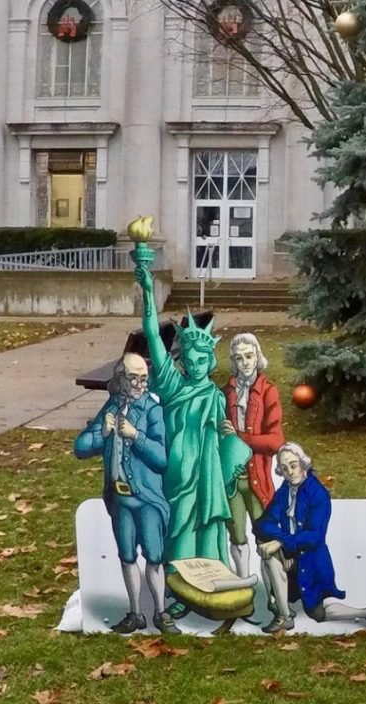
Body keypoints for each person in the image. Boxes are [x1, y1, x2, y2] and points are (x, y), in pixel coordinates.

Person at [134, 265, 252, 620]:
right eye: (191, 358)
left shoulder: (215, 394)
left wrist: (231, 440)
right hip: (178, 473)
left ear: (211, 359)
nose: (198, 363)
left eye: (204, 358)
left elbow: (220, 430)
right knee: (180, 525)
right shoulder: (171, 386)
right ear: (181, 359)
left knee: (210, 527)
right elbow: (154, 337)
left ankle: (210, 587)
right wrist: (147, 288)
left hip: (209, 475)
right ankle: (178, 590)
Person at [73, 353, 179, 634]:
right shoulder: (111, 406)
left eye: (144, 378)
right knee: (127, 555)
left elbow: (161, 458)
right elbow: (80, 447)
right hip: (119, 497)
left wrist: (136, 436)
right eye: (134, 378)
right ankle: (135, 612)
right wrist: (102, 434)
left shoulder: (152, 410)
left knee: (154, 556)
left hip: (147, 499)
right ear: (121, 379)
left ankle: (161, 612)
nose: (140, 384)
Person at [254, 442, 366, 634]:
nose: (290, 471)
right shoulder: (283, 492)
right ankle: (283, 615)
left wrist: (282, 541)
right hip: (290, 555)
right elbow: (262, 523)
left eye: (293, 465)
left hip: (312, 561)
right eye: (284, 468)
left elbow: (314, 536)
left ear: (303, 463)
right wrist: (283, 544)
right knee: (266, 552)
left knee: (318, 612)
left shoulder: (318, 494)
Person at [222, 332, 285, 578]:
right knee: (236, 534)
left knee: (265, 534)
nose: (245, 363)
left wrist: (239, 437)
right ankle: (242, 582)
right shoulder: (225, 392)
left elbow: (276, 440)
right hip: (232, 479)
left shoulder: (268, 391)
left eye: (249, 356)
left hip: (258, 475)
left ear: (258, 357)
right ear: (233, 361)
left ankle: (272, 591)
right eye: (239, 358)